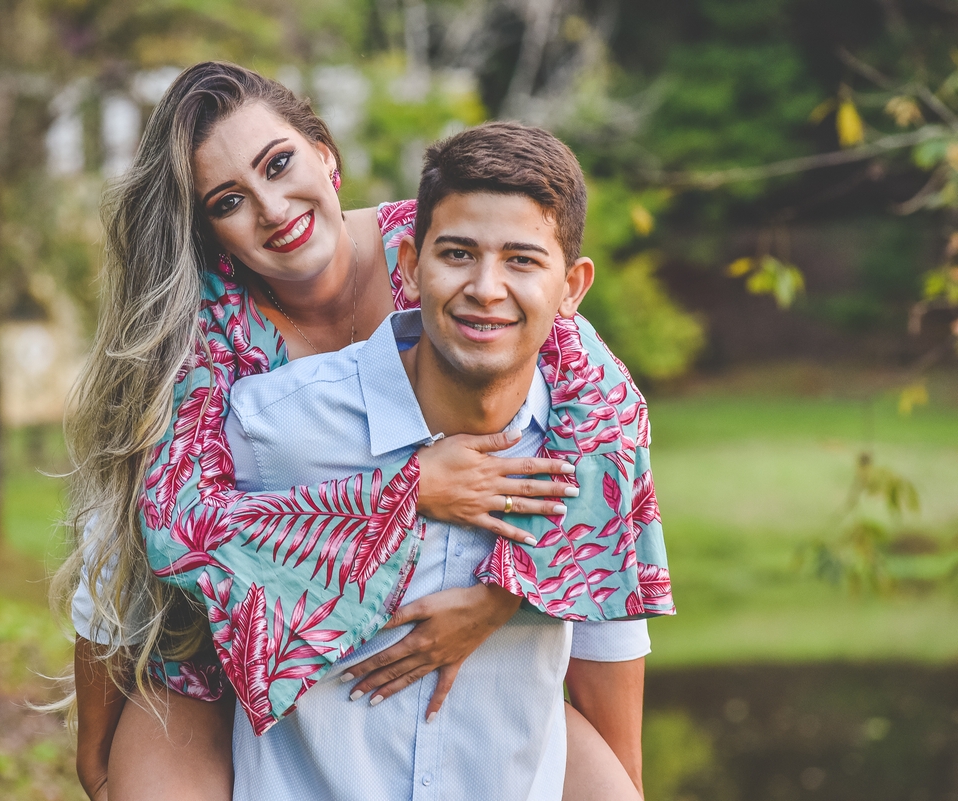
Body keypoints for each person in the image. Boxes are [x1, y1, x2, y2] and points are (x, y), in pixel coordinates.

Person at [54, 62, 672, 800]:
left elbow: (608, 431)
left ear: (326, 152)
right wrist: (406, 491)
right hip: (220, 653)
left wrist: (503, 597)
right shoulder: (207, 340)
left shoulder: (453, 253)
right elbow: (161, 528)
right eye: (229, 200)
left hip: (441, 641)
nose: (274, 208)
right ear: (208, 228)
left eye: (279, 164)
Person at [213, 119, 651, 800]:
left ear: (572, 286)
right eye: (458, 254)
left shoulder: (591, 446)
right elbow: (154, 579)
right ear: (412, 268)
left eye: (522, 260)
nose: (485, 286)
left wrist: (507, 593)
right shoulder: (271, 429)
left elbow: (606, 634)